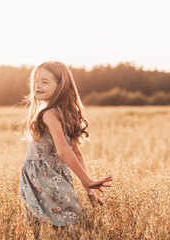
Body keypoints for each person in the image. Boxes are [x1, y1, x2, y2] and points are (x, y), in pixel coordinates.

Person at [18, 61, 113, 231]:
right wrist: (87, 186)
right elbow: (76, 153)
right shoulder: (67, 113)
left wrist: (87, 182)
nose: (37, 86)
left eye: (44, 82)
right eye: (35, 81)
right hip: (56, 175)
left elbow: (65, 151)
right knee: (64, 223)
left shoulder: (48, 114)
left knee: (44, 226)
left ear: (61, 86)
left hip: (42, 178)